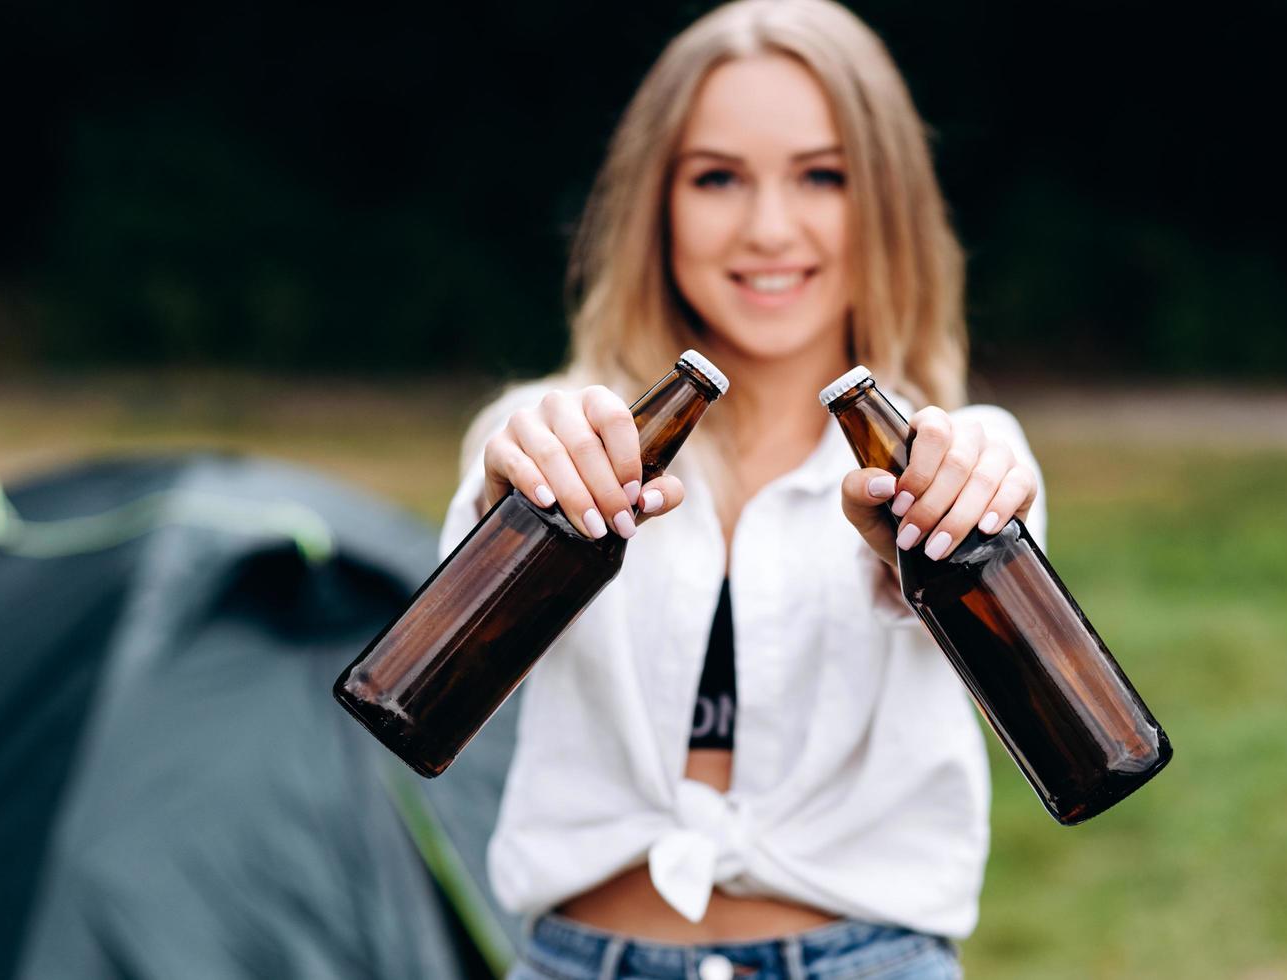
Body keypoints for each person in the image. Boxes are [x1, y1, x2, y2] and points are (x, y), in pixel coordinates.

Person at [437, 1, 1045, 977]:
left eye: (820, 175)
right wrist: (505, 504)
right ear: (657, 202)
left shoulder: (966, 452)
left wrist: (923, 543)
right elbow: (461, 611)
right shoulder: (550, 432)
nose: (768, 227)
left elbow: (982, 585)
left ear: (882, 201)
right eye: (717, 177)